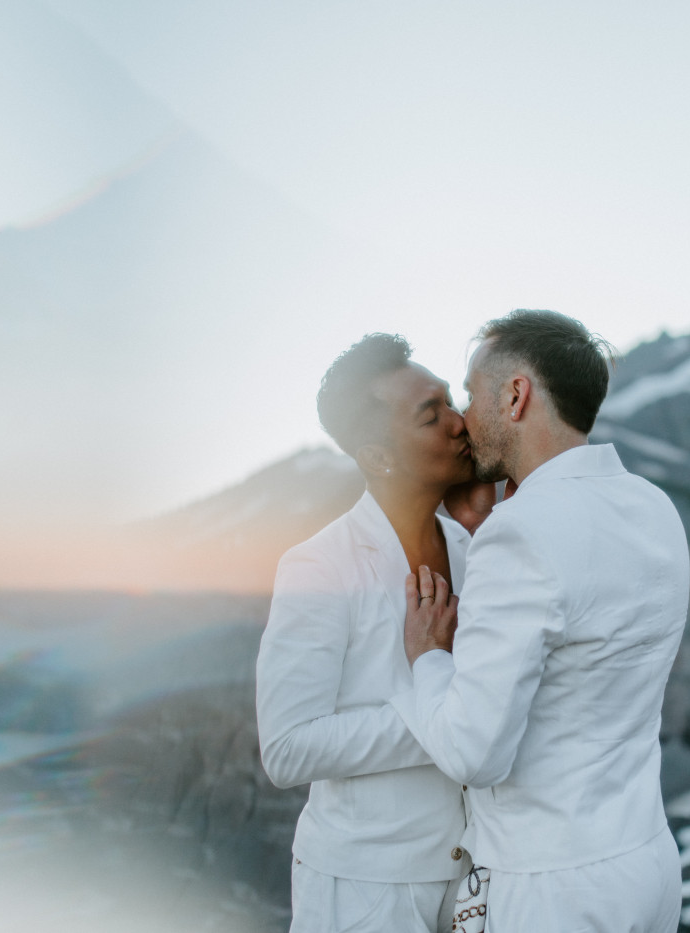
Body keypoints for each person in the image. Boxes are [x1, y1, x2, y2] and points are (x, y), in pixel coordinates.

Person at [395, 309, 690, 933]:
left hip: (553, 890)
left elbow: (474, 754)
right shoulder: (653, 505)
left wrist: (427, 657)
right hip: (646, 862)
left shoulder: (522, 531)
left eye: (473, 396)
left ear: (515, 395)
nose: (465, 420)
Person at [255, 333, 490, 933]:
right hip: (364, 889)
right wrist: (441, 711)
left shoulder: (471, 549)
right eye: (429, 415)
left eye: (449, 402)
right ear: (378, 456)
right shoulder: (319, 566)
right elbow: (287, 749)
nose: (458, 423)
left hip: (473, 881)